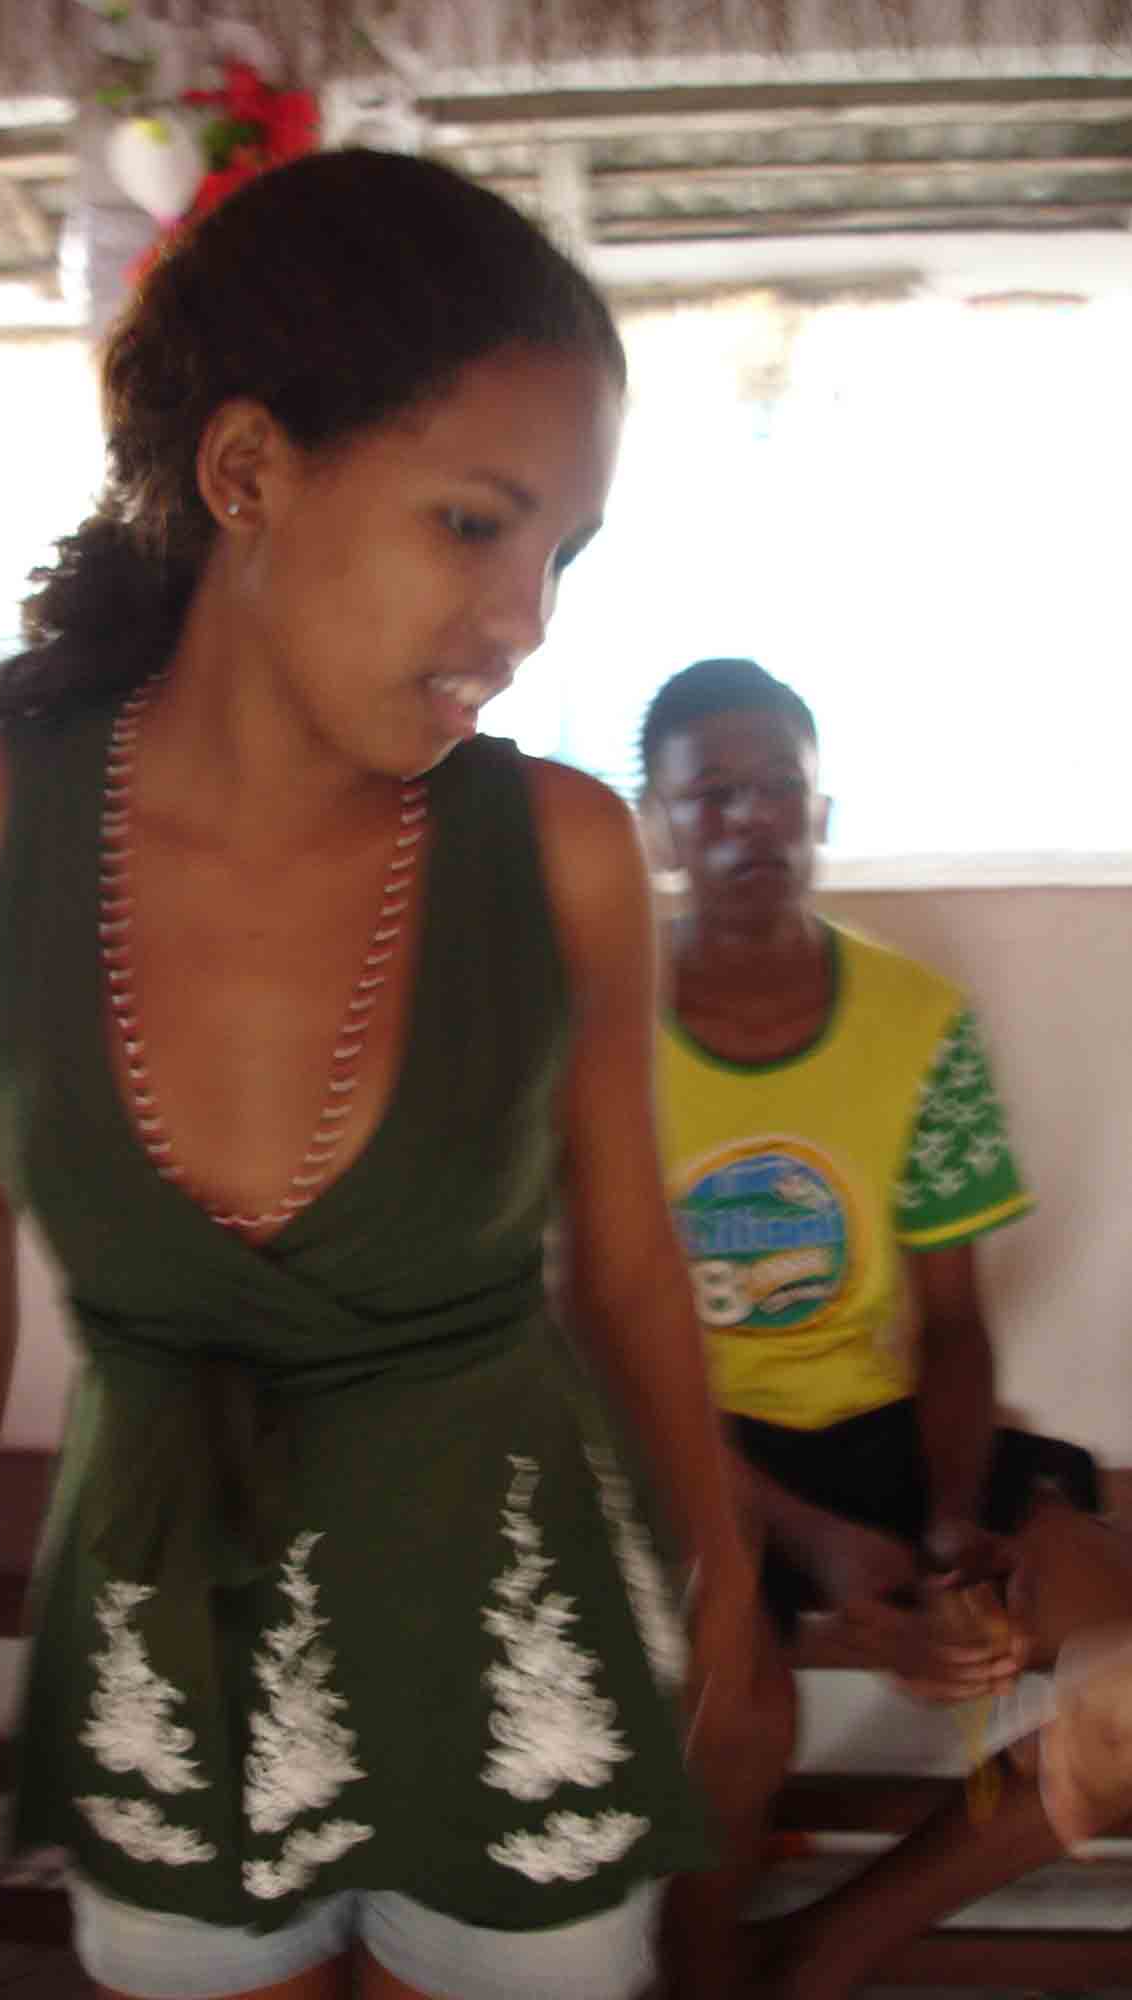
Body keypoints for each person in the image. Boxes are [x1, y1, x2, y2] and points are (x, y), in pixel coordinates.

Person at [0, 151, 776, 2000]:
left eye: (563, 557)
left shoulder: (559, 852)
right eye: (475, 525)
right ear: (247, 470)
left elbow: (630, 1257)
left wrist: (721, 1565)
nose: (528, 618)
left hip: (514, 1634)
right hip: (172, 1642)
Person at [638, 655, 1128, 1998]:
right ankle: (701, 1977)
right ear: (657, 826)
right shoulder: (605, 1032)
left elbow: (954, 1327)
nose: (751, 819)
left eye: (780, 789)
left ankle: (826, 1952)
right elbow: (607, 1347)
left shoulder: (915, 1022)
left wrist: (948, 1527)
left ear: (824, 813)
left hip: (880, 1434)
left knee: (1118, 1664)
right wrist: (808, 1540)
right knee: (735, 1706)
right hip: (684, 1445)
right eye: (712, 794)